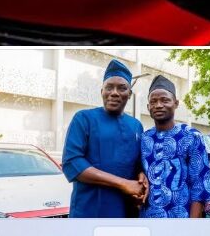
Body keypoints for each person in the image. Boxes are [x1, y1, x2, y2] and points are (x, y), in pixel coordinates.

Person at [62, 58, 147, 217]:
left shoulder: (136, 126)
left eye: (122, 88)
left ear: (129, 94)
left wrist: (141, 175)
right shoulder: (83, 118)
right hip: (89, 211)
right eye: (109, 87)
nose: (114, 92)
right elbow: (72, 162)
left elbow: (137, 164)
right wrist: (123, 183)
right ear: (102, 91)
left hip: (126, 212)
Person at [139, 75, 210, 218]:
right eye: (153, 101)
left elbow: (200, 186)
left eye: (165, 100)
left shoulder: (191, 136)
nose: (159, 105)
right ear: (148, 107)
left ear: (176, 103)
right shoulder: (144, 139)